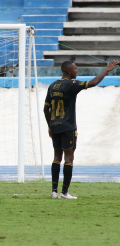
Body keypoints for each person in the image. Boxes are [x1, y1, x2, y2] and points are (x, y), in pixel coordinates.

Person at [44, 60, 118, 199]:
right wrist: (107, 70)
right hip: (68, 127)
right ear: (69, 71)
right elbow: (93, 83)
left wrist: (50, 125)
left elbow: (45, 109)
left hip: (55, 126)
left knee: (56, 157)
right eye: (75, 69)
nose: (77, 71)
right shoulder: (72, 85)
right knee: (69, 158)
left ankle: (54, 191)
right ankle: (64, 193)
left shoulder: (53, 85)